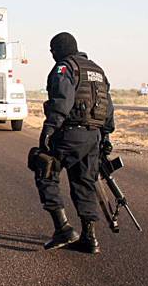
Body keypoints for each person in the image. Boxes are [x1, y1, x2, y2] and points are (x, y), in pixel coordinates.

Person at [34, 32, 114, 255]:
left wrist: (49, 128)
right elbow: (108, 106)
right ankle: (90, 238)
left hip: (71, 133)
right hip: (94, 137)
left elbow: (62, 99)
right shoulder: (96, 70)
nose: (51, 54)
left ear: (61, 48)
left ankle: (62, 228)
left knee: (44, 166)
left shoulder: (65, 67)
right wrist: (106, 136)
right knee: (84, 182)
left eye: (52, 49)